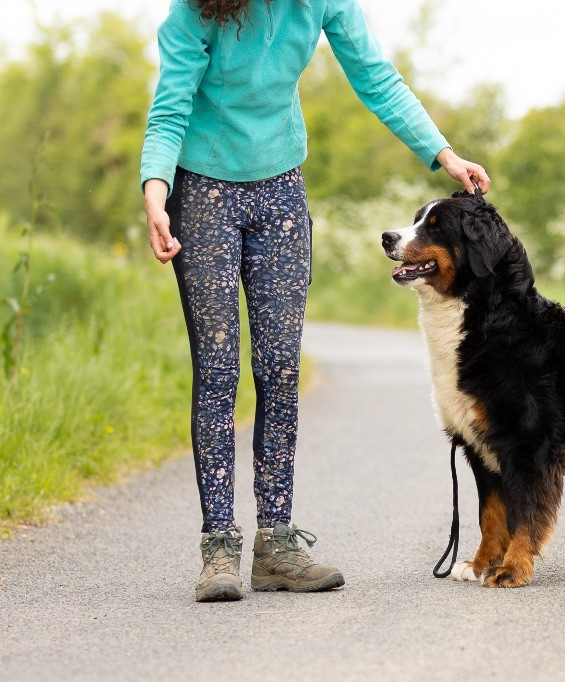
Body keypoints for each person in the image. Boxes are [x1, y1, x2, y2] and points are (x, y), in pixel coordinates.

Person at [141, 0, 490, 603]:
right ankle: (219, 546)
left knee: (279, 369)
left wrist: (443, 154)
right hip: (201, 192)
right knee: (218, 370)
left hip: (280, 190)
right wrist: (156, 192)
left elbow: (375, 77)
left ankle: (275, 544)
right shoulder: (196, 10)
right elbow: (169, 107)